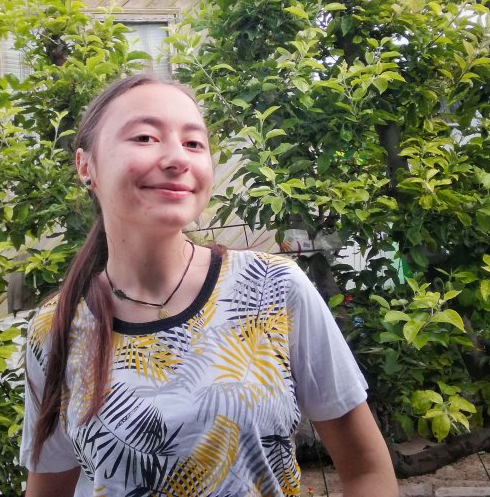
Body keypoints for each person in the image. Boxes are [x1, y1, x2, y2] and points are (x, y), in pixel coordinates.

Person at [20, 73, 397, 496]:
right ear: (85, 166)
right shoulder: (56, 327)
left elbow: (366, 468)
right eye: (145, 137)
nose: (177, 158)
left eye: (194, 143)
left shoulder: (272, 288)